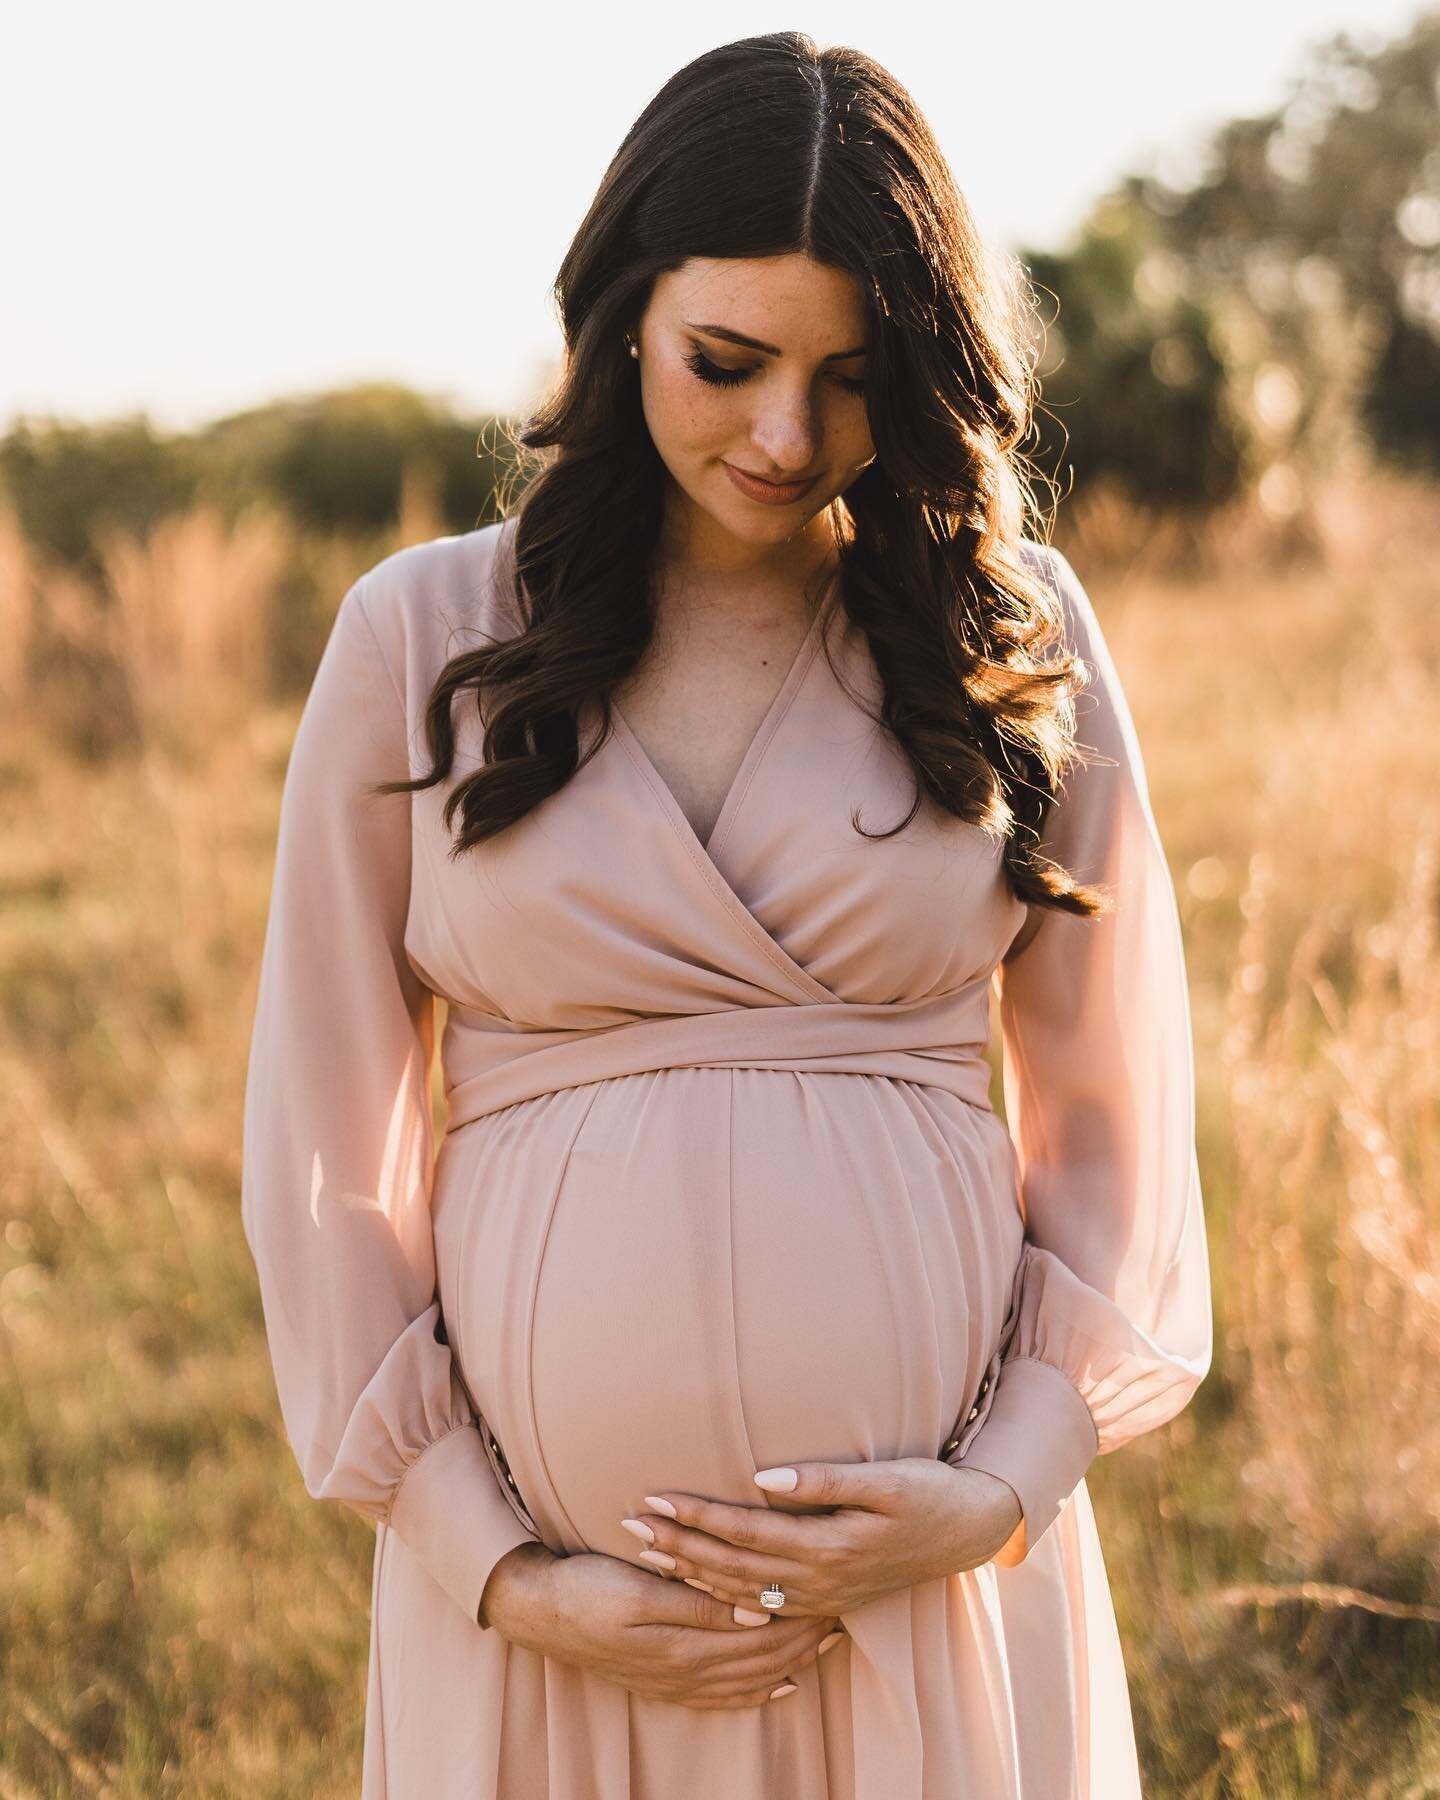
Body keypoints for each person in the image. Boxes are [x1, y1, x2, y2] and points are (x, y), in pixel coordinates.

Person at [240, 29, 1212, 1799]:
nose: (785, 434)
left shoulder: (1009, 632)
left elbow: (1117, 1115)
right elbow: (323, 1141)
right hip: (548, 1623)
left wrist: (999, 1488)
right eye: (729, 359)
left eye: (854, 378)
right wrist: (499, 1567)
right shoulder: (423, 637)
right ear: (621, 315)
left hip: (924, 1596)